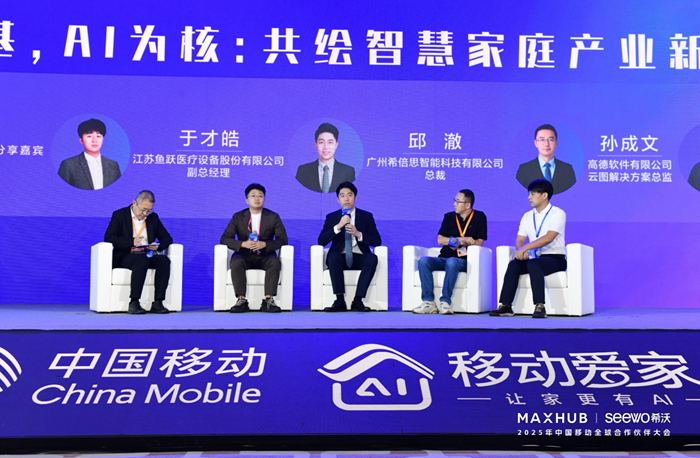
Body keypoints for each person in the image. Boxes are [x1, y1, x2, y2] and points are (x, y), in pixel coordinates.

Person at [490, 179, 567, 319]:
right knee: (514, 264)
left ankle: (540, 306)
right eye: (529, 194)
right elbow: (520, 239)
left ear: (544, 195)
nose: (529, 197)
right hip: (534, 257)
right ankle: (506, 306)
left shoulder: (558, 213)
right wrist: (521, 251)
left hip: (555, 258)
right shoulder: (527, 216)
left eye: (533, 194)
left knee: (533, 263)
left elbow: (549, 237)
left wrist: (525, 248)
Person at [412, 189, 488, 315]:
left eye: (458, 201)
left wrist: (455, 242)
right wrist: (461, 240)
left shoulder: (479, 217)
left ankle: (445, 301)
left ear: (467, 205)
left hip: (464, 261)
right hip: (444, 257)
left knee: (452, 262)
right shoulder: (449, 217)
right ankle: (428, 302)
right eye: (455, 201)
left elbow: (479, 242)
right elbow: (440, 240)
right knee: (424, 261)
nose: (454, 204)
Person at [220, 183, 289, 313]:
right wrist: (242, 244)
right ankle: (241, 300)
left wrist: (265, 245)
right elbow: (224, 238)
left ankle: (268, 300)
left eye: (260, 196)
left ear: (264, 199)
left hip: (265, 255)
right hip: (244, 255)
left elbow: (283, 239)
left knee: (274, 262)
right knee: (236, 261)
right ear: (247, 200)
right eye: (253, 196)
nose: (257, 198)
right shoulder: (238, 217)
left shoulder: (273, 217)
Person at [104, 190, 173, 314]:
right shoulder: (120, 215)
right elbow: (109, 238)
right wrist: (131, 241)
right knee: (141, 260)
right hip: (126, 256)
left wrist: (158, 245)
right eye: (143, 210)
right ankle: (134, 302)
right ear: (134, 203)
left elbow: (167, 238)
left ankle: (158, 302)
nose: (145, 214)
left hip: (147, 254)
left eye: (149, 211)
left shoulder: (153, 218)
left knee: (163, 261)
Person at [318, 182, 381, 312]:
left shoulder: (366, 216)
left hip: (359, 256)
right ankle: (339, 300)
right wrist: (338, 226)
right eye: (342, 196)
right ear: (338, 199)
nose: (346, 199)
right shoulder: (332, 217)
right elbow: (321, 241)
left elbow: (377, 241)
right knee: (333, 256)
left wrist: (359, 234)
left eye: (349, 195)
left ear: (355, 197)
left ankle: (357, 300)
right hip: (340, 258)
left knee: (372, 258)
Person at [58, 118, 122, 190]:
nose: (94, 140)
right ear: (81, 140)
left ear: (102, 139)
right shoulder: (68, 165)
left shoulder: (113, 165)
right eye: (89, 136)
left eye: (98, 136)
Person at [516, 124, 576, 195]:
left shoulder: (567, 169)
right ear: (536, 143)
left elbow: (573, 194)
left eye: (551, 140)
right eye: (542, 140)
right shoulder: (524, 169)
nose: (546, 144)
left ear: (556, 143)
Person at [296, 123, 356, 193]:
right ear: (316, 145)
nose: (325, 147)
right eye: (321, 142)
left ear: (336, 145)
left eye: (330, 142)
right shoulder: (303, 171)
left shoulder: (347, 172)